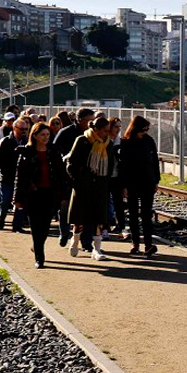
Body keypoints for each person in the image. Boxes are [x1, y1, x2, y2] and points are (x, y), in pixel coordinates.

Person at [14, 122, 67, 269]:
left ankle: (37, 245)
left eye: (48, 135)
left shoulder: (54, 151)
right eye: (42, 135)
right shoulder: (26, 152)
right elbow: (20, 177)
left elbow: (61, 175)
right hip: (33, 194)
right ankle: (40, 257)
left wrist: (63, 195)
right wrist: (17, 199)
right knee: (36, 226)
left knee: (45, 226)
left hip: (50, 193)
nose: (46, 137)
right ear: (35, 135)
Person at [66, 116, 114, 261]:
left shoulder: (108, 144)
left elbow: (110, 165)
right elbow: (71, 164)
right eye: (105, 131)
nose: (107, 133)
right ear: (96, 129)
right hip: (82, 186)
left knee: (99, 218)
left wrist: (106, 181)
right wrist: (79, 180)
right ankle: (75, 241)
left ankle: (97, 249)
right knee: (79, 218)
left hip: (100, 186)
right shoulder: (82, 140)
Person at [52, 108, 95, 247]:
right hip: (67, 177)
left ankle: (86, 241)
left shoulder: (93, 135)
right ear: (79, 120)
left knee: (87, 210)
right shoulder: (65, 133)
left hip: (87, 178)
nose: (91, 124)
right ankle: (64, 233)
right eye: (89, 121)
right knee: (65, 209)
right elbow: (54, 152)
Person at [120, 115, 160, 257]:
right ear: (135, 128)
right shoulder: (125, 142)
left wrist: (156, 181)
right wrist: (123, 186)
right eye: (143, 130)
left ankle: (148, 245)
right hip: (132, 183)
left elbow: (155, 161)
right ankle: (135, 244)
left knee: (146, 214)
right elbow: (123, 165)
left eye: (147, 130)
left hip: (147, 182)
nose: (145, 132)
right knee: (133, 214)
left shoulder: (149, 141)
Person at [0, 116, 30, 231]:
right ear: (14, 128)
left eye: (26, 129)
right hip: (7, 177)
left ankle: (17, 225)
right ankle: (1, 219)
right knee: (5, 201)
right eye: (21, 129)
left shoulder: (27, 142)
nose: (24, 131)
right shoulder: (5, 142)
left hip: (21, 178)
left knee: (20, 202)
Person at [106, 117, 126, 236]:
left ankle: (121, 225)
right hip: (105, 176)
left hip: (117, 176)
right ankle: (105, 224)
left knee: (118, 202)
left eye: (119, 127)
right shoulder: (104, 141)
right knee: (105, 201)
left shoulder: (121, 142)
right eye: (115, 126)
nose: (118, 129)